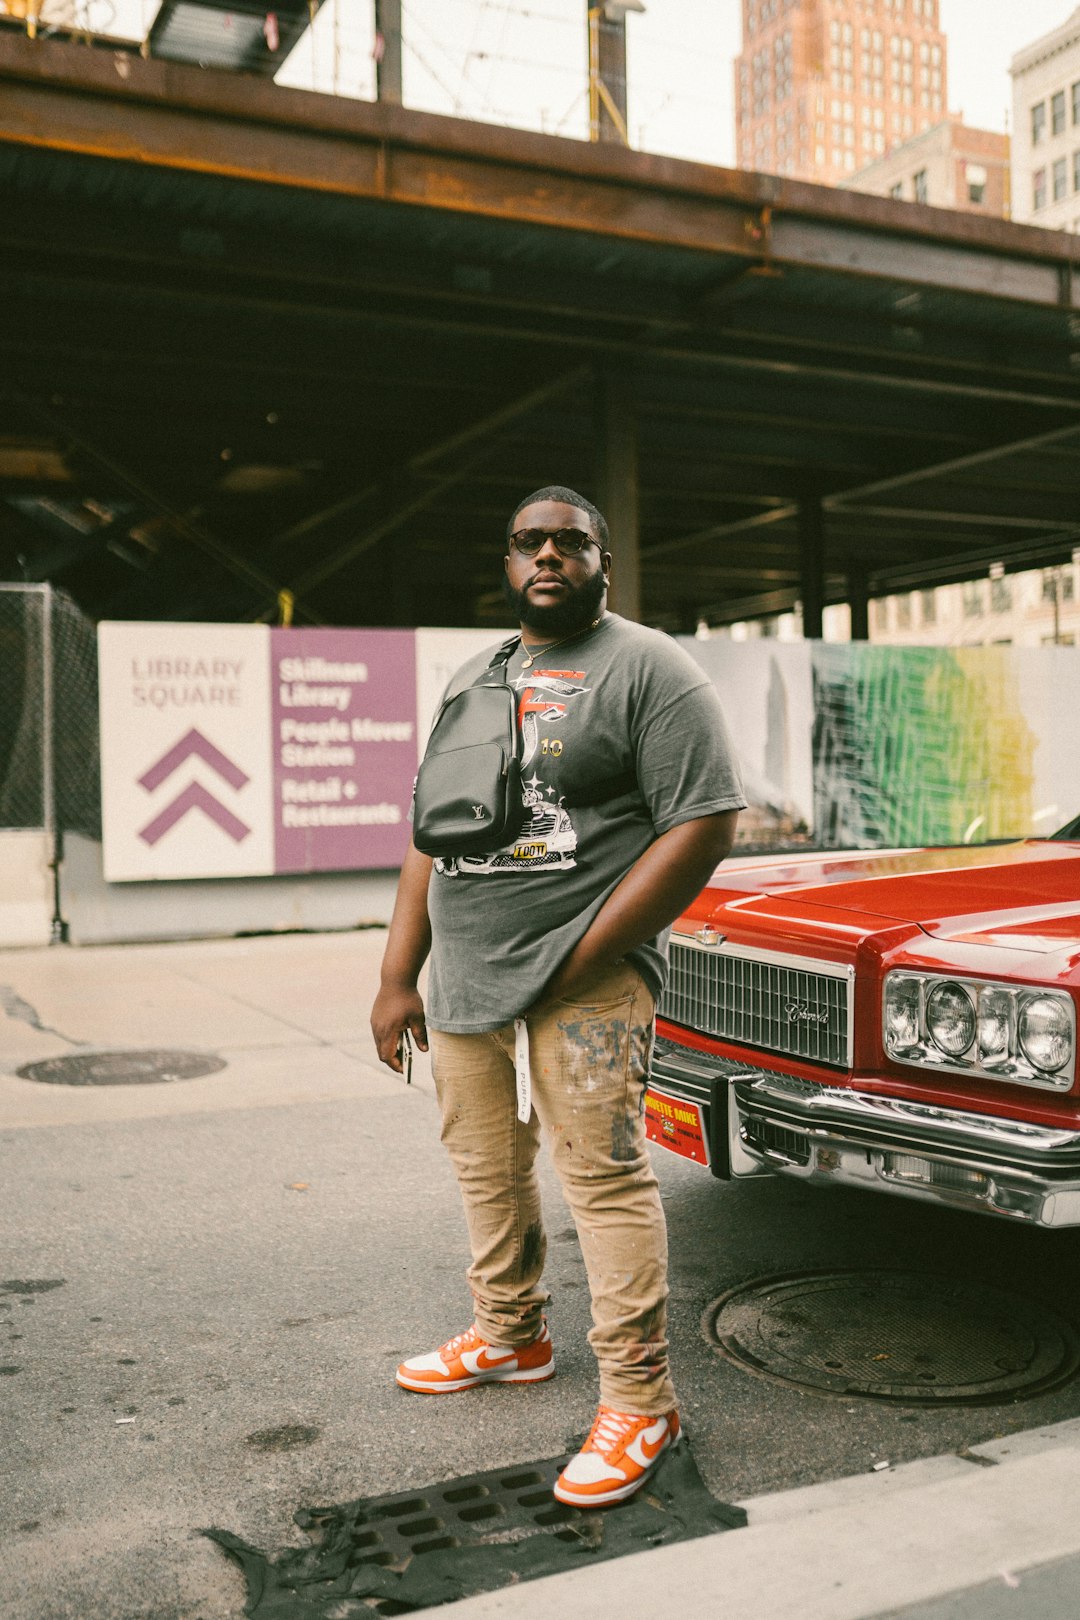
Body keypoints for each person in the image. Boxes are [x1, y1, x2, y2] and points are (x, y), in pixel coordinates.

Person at [371, 485, 745, 1508]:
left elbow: (704, 820)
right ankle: (510, 1334)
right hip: (461, 982)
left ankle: (642, 1400)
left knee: (606, 1178)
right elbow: (428, 837)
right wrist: (396, 975)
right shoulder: (476, 673)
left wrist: (592, 950)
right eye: (529, 542)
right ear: (506, 562)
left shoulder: (650, 669)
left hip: (588, 986)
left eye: (570, 542)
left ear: (603, 562)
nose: (548, 555)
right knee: (485, 1166)